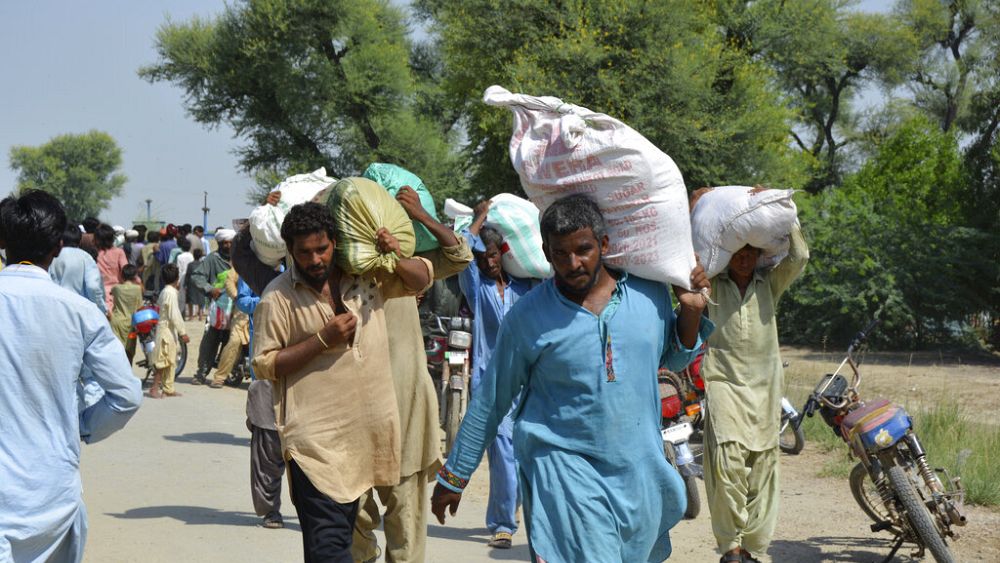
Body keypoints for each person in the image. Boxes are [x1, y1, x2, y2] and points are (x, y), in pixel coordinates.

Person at [431, 194, 712, 563]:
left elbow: (669, 357)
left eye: (583, 250)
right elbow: (492, 399)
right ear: (546, 254)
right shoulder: (528, 316)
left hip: (636, 467)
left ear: (604, 245)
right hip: (562, 469)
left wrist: (690, 313)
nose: (573, 263)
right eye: (560, 254)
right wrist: (455, 474)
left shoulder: (649, 295)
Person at [252, 201, 432, 562]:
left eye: (321, 249)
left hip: (368, 439)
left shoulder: (367, 278)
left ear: (335, 242)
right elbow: (265, 364)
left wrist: (393, 257)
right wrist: (322, 340)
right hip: (315, 446)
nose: (315, 259)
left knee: (343, 545)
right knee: (329, 548)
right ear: (290, 251)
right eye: (304, 252)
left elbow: (422, 279)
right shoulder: (278, 297)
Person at [0, 190, 142, 562]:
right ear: (58, 247)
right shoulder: (80, 314)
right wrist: (84, 426)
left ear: (3, 243)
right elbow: (126, 395)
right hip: (53, 494)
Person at [351, 186, 473, 563]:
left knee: (406, 532)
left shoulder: (409, 265)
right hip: (352, 418)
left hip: (404, 415)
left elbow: (459, 253)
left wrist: (419, 216)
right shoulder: (339, 267)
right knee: (354, 528)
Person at [693, 187, 809, 563]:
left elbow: (800, 255)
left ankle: (755, 548)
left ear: (758, 256)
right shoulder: (711, 285)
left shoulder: (769, 285)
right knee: (727, 462)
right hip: (724, 383)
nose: (743, 260)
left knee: (763, 466)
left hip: (765, 387)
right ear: (728, 257)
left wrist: (783, 209)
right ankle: (730, 545)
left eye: (750, 253)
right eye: (737, 253)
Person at [456, 199, 532, 549]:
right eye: (482, 257)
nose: (488, 261)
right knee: (502, 452)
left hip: (528, 380)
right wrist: (481, 218)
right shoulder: (477, 287)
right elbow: (460, 248)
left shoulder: (524, 288)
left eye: (493, 255)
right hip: (492, 380)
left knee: (525, 451)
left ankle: (517, 510)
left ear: (503, 253)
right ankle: (503, 522)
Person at [190, 228, 235, 384]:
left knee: (232, 342)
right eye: (225, 243)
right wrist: (210, 289)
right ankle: (201, 373)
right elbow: (197, 276)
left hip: (237, 308)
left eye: (231, 243)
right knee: (210, 340)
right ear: (219, 243)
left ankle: (227, 372)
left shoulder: (240, 259)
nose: (228, 246)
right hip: (218, 308)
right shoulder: (212, 259)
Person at [50, 223, 108, 315]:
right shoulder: (86, 257)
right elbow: (93, 287)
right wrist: (101, 309)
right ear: (80, 240)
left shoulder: (52, 257)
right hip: (81, 312)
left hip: (56, 310)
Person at [150, 263, 189, 398]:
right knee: (163, 360)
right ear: (177, 279)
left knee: (171, 360)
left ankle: (168, 388)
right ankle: (154, 388)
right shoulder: (170, 293)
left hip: (168, 330)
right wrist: (183, 332)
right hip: (166, 330)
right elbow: (174, 314)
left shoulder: (166, 291)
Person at [209, 269, 249, 389]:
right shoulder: (242, 265)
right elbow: (229, 281)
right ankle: (220, 377)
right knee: (234, 342)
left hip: (262, 312)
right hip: (242, 313)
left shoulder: (269, 264)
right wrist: (236, 296)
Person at [110, 264, 144, 365]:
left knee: (116, 351)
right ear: (135, 276)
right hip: (131, 324)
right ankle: (128, 374)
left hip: (116, 322)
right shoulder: (138, 289)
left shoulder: (116, 288)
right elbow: (139, 307)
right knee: (129, 351)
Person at [95, 223, 129, 314]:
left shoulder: (95, 254)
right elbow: (125, 270)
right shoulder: (119, 252)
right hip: (117, 293)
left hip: (100, 294)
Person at [185, 247, 206, 321]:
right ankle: (200, 316)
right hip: (200, 283)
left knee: (191, 300)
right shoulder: (203, 264)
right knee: (200, 299)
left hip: (191, 283)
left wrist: (185, 284)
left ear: (193, 255)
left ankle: (191, 316)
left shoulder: (190, 265)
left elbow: (187, 275)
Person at [175, 237, 194, 316]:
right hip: (190, 277)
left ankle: (182, 312)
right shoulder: (191, 256)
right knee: (190, 295)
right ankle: (191, 313)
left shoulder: (179, 257)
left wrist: (178, 281)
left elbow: (179, 269)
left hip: (182, 277)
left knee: (181, 295)